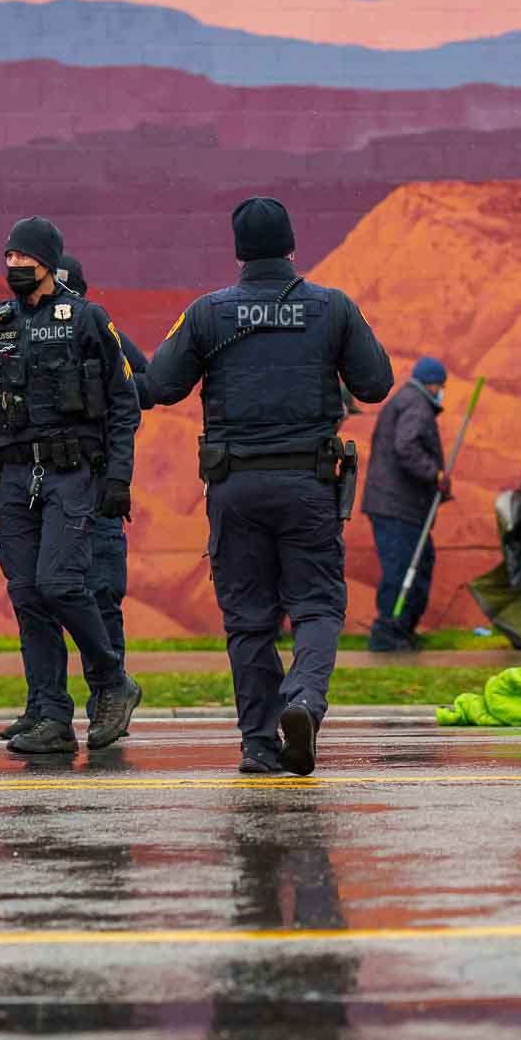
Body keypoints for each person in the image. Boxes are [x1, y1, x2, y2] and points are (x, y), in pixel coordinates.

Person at [146, 197, 394, 775]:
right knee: (317, 605)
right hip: (307, 482)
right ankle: (304, 700)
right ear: (291, 245)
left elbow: (161, 384)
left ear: (238, 253)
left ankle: (259, 743)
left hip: (234, 487)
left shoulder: (208, 312)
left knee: (248, 618)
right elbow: (377, 382)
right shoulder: (331, 308)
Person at [0, 218, 143, 756]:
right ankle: (51, 714)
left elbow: (125, 404)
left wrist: (119, 476)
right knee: (27, 594)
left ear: (49, 263)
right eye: (7, 258)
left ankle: (111, 681)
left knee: (60, 584)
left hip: (71, 472)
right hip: (12, 476)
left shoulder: (87, 320)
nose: (13, 268)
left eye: (23, 259)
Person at [363, 356, 451, 652]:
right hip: (397, 507)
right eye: (442, 387)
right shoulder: (416, 404)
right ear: (434, 384)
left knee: (419, 563)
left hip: (399, 505)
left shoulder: (408, 400)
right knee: (402, 569)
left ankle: (401, 628)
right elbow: (406, 446)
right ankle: (387, 634)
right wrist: (434, 473)